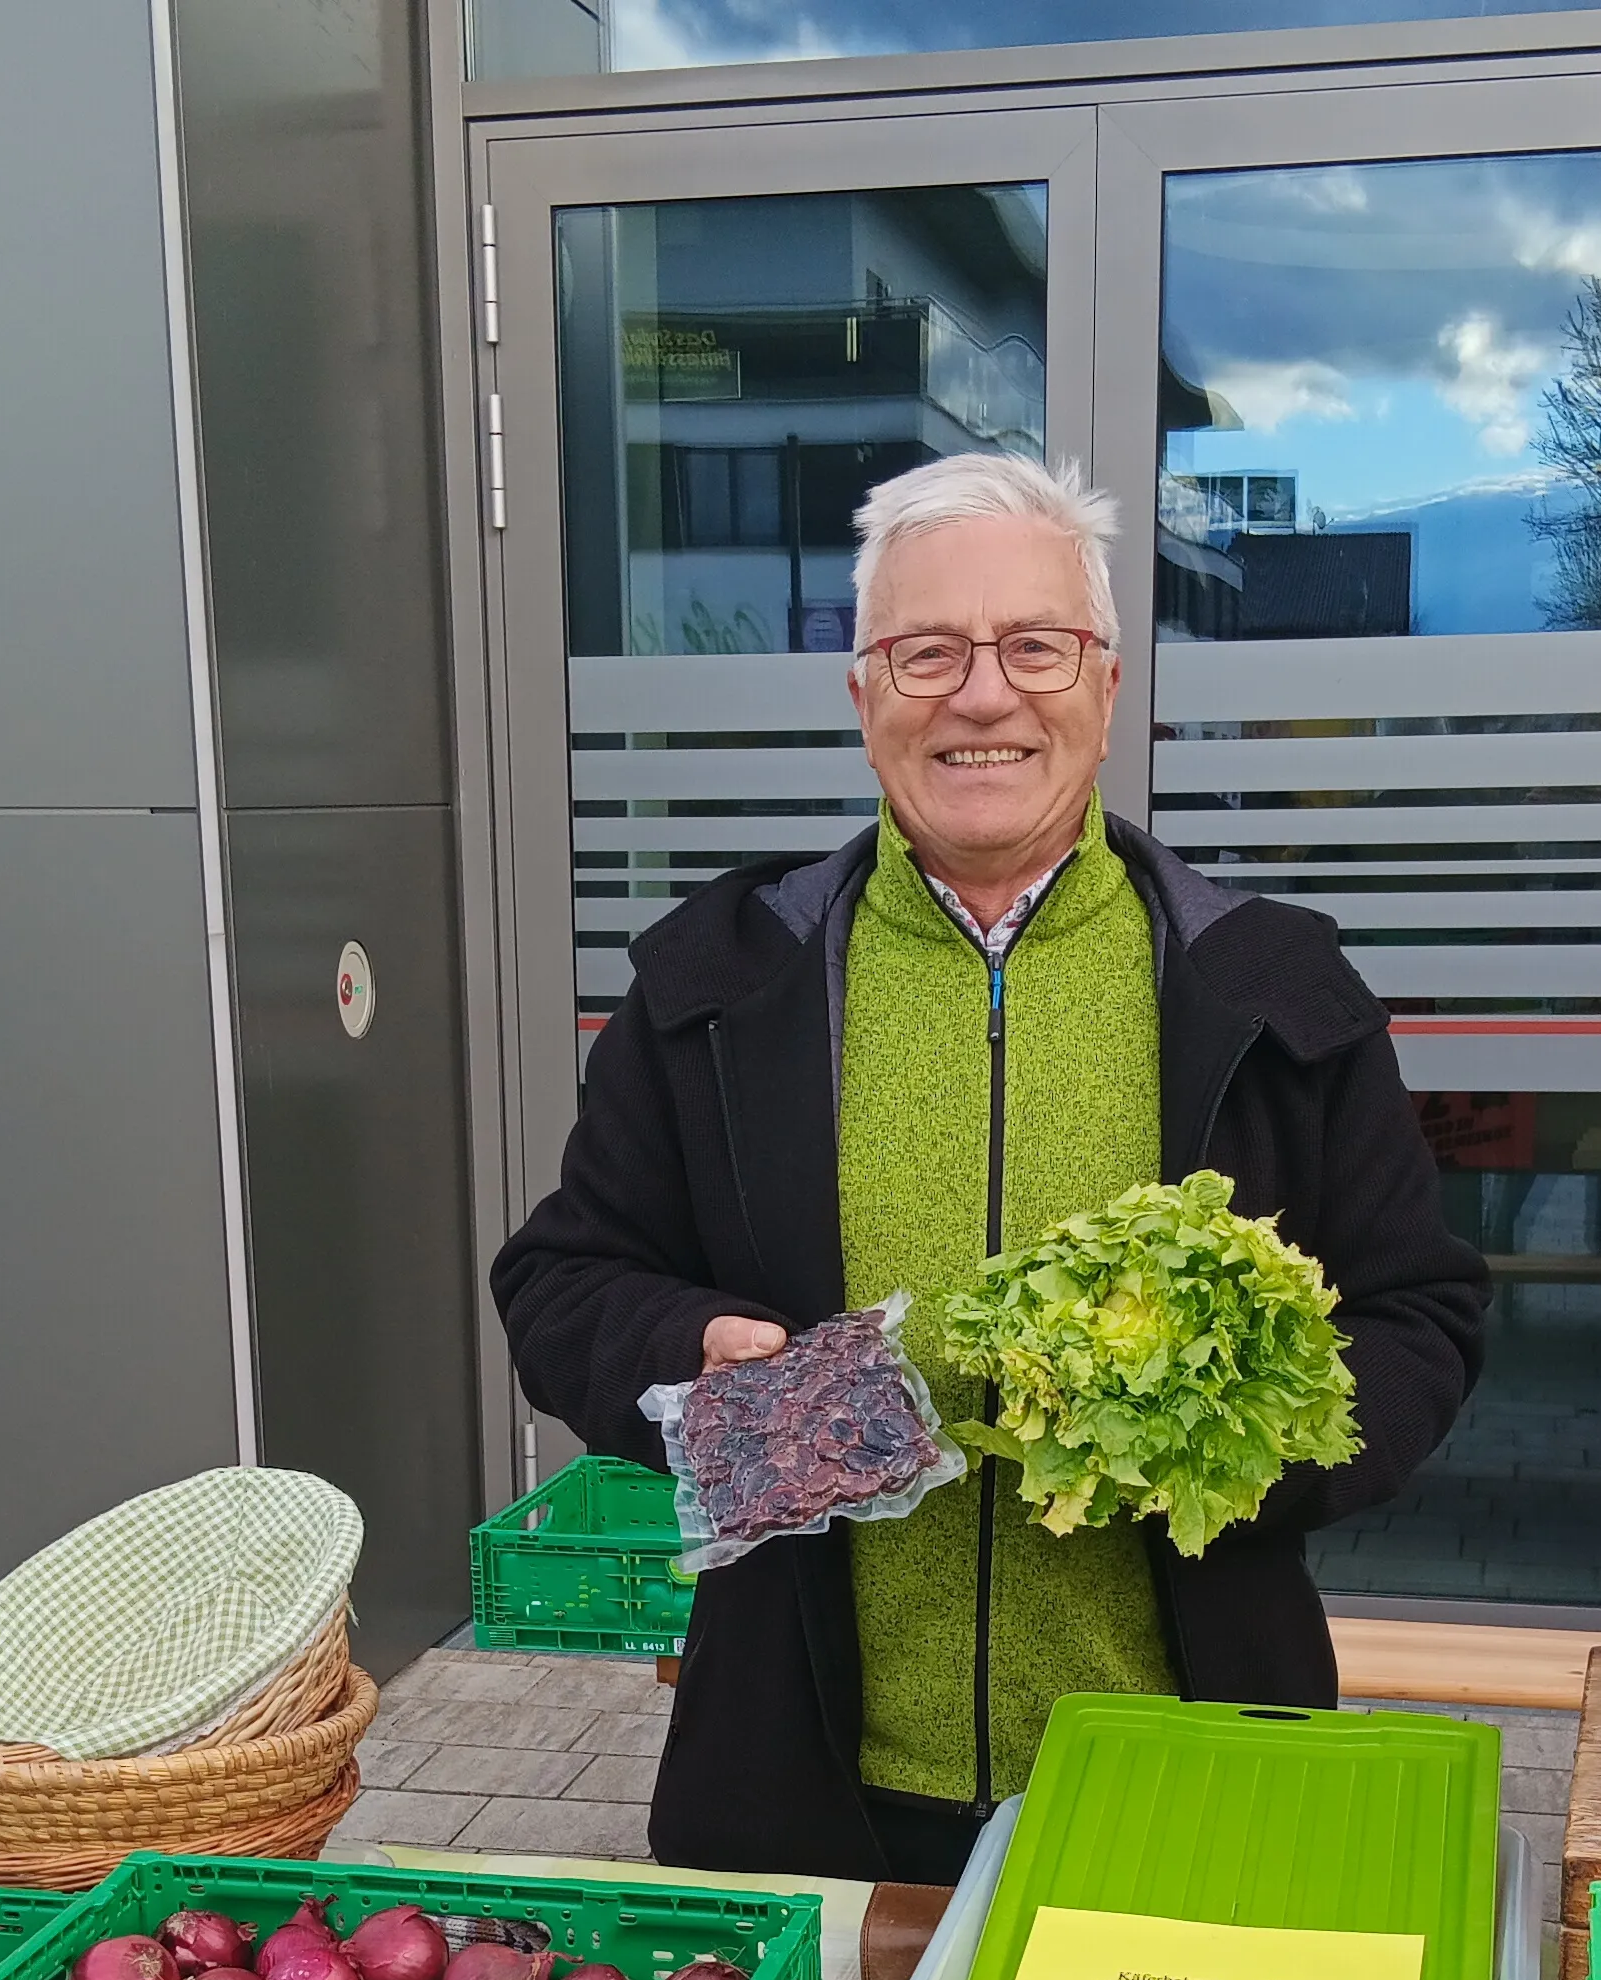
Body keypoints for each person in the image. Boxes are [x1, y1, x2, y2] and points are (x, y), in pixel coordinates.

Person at [491, 453, 1488, 1882]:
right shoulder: (719, 986)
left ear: (1106, 683)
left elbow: (1420, 1314)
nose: (982, 694)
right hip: (806, 1777)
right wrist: (689, 1351)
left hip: (1187, 1770)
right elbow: (559, 1278)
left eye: (1034, 645)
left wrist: (1240, 1450)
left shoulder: (1272, 991)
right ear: (862, 694)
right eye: (927, 652)